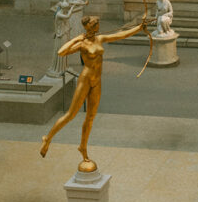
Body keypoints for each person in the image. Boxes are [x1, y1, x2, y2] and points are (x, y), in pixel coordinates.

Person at [40, 14, 147, 171]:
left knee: (90, 117)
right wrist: (77, 39)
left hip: (97, 81)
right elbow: (61, 52)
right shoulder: (82, 44)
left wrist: (138, 28)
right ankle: (47, 138)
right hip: (85, 80)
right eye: (95, 23)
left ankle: (83, 147)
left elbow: (120, 35)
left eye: (98, 22)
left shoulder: (100, 39)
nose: (98, 25)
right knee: (71, 114)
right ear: (88, 26)